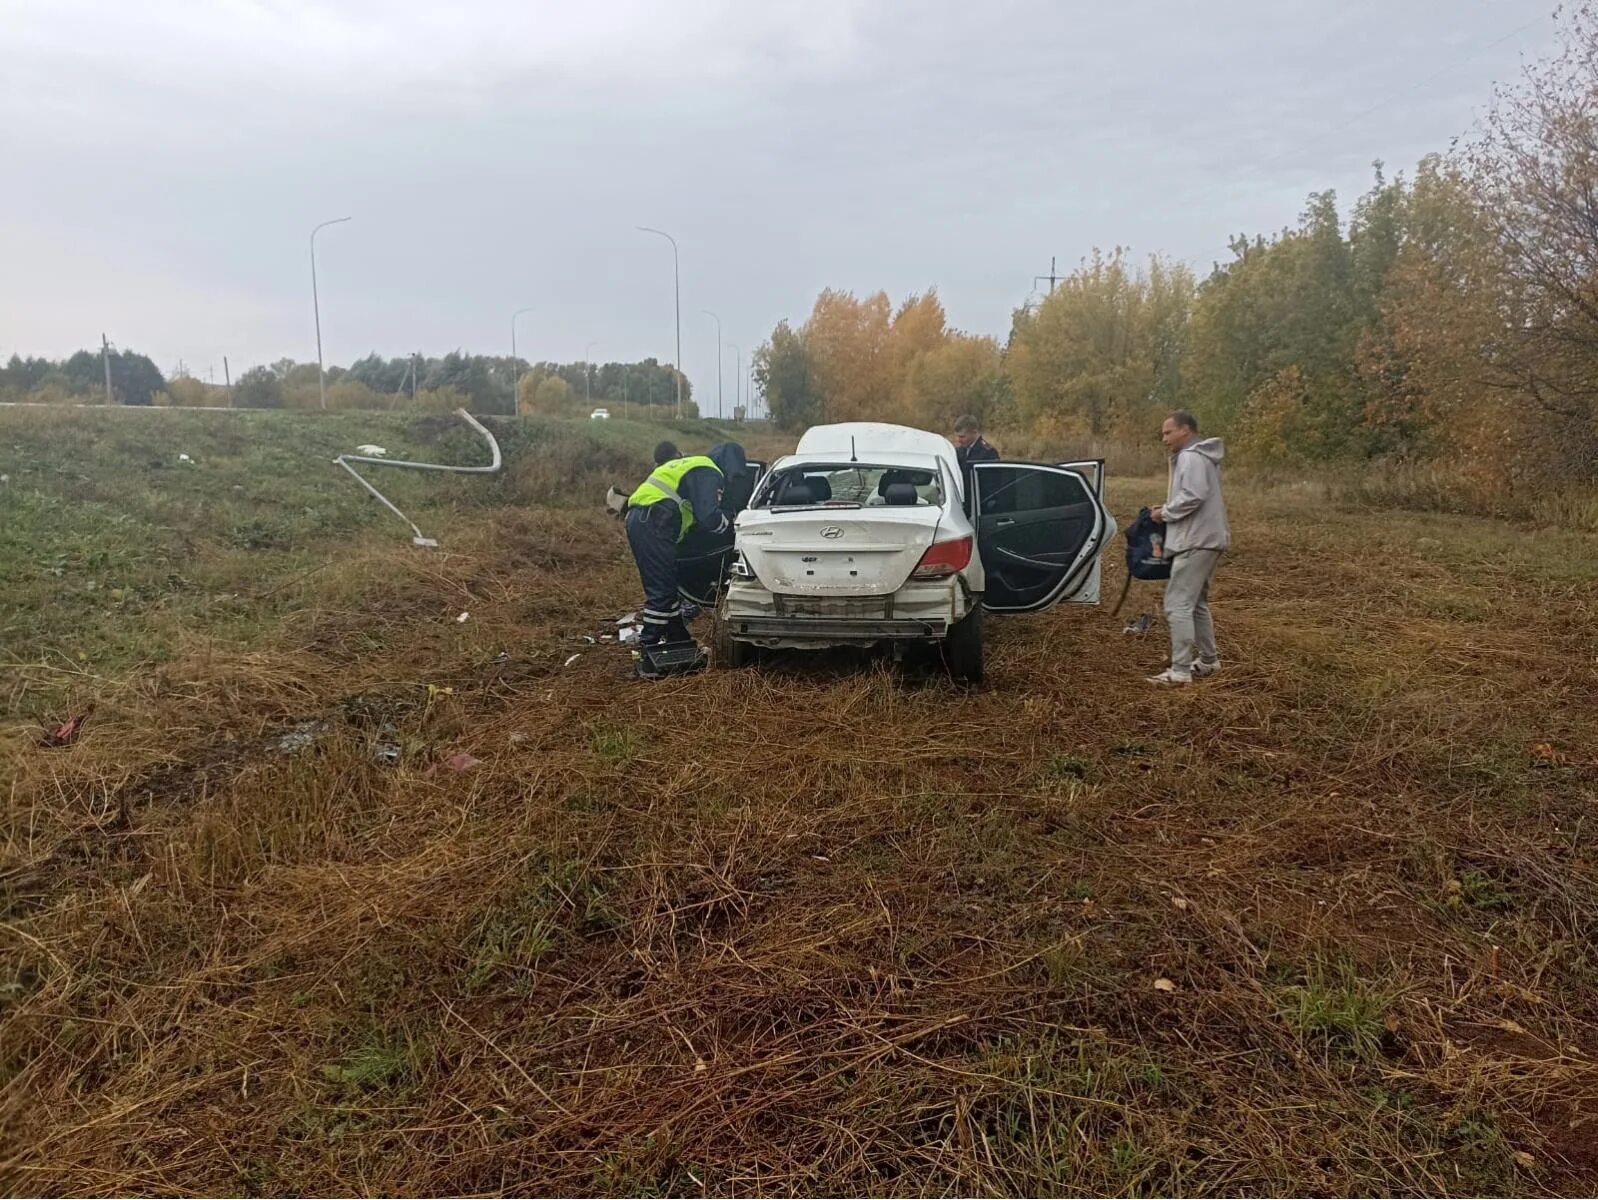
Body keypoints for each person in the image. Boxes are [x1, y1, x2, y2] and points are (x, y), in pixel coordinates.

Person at [625, 446, 741, 647]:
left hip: (642, 517)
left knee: (666, 586)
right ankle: (648, 645)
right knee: (661, 592)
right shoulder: (711, 471)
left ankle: (678, 639)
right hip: (655, 519)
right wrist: (731, 525)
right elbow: (708, 516)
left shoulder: (692, 464)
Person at [1148, 410, 1230, 686]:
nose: (1164, 438)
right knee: (1196, 603)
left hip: (1195, 540)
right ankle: (1208, 661)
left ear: (1186, 430)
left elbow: (1193, 496)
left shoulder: (1191, 457)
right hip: (1208, 538)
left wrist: (1164, 513)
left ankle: (1180, 671)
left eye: (1168, 432)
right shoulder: (1201, 457)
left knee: (1177, 604)